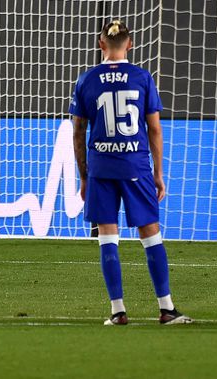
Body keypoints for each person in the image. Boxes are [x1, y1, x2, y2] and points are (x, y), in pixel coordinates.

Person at [70, 20, 191, 326]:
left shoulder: (86, 80)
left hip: (101, 168)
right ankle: (166, 308)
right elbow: (154, 128)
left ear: (101, 44)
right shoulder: (142, 77)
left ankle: (117, 310)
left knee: (107, 237)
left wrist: (84, 176)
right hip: (135, 166)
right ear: (131, 43)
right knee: (150, 234)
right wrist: (158, 172)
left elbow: (77, 132)